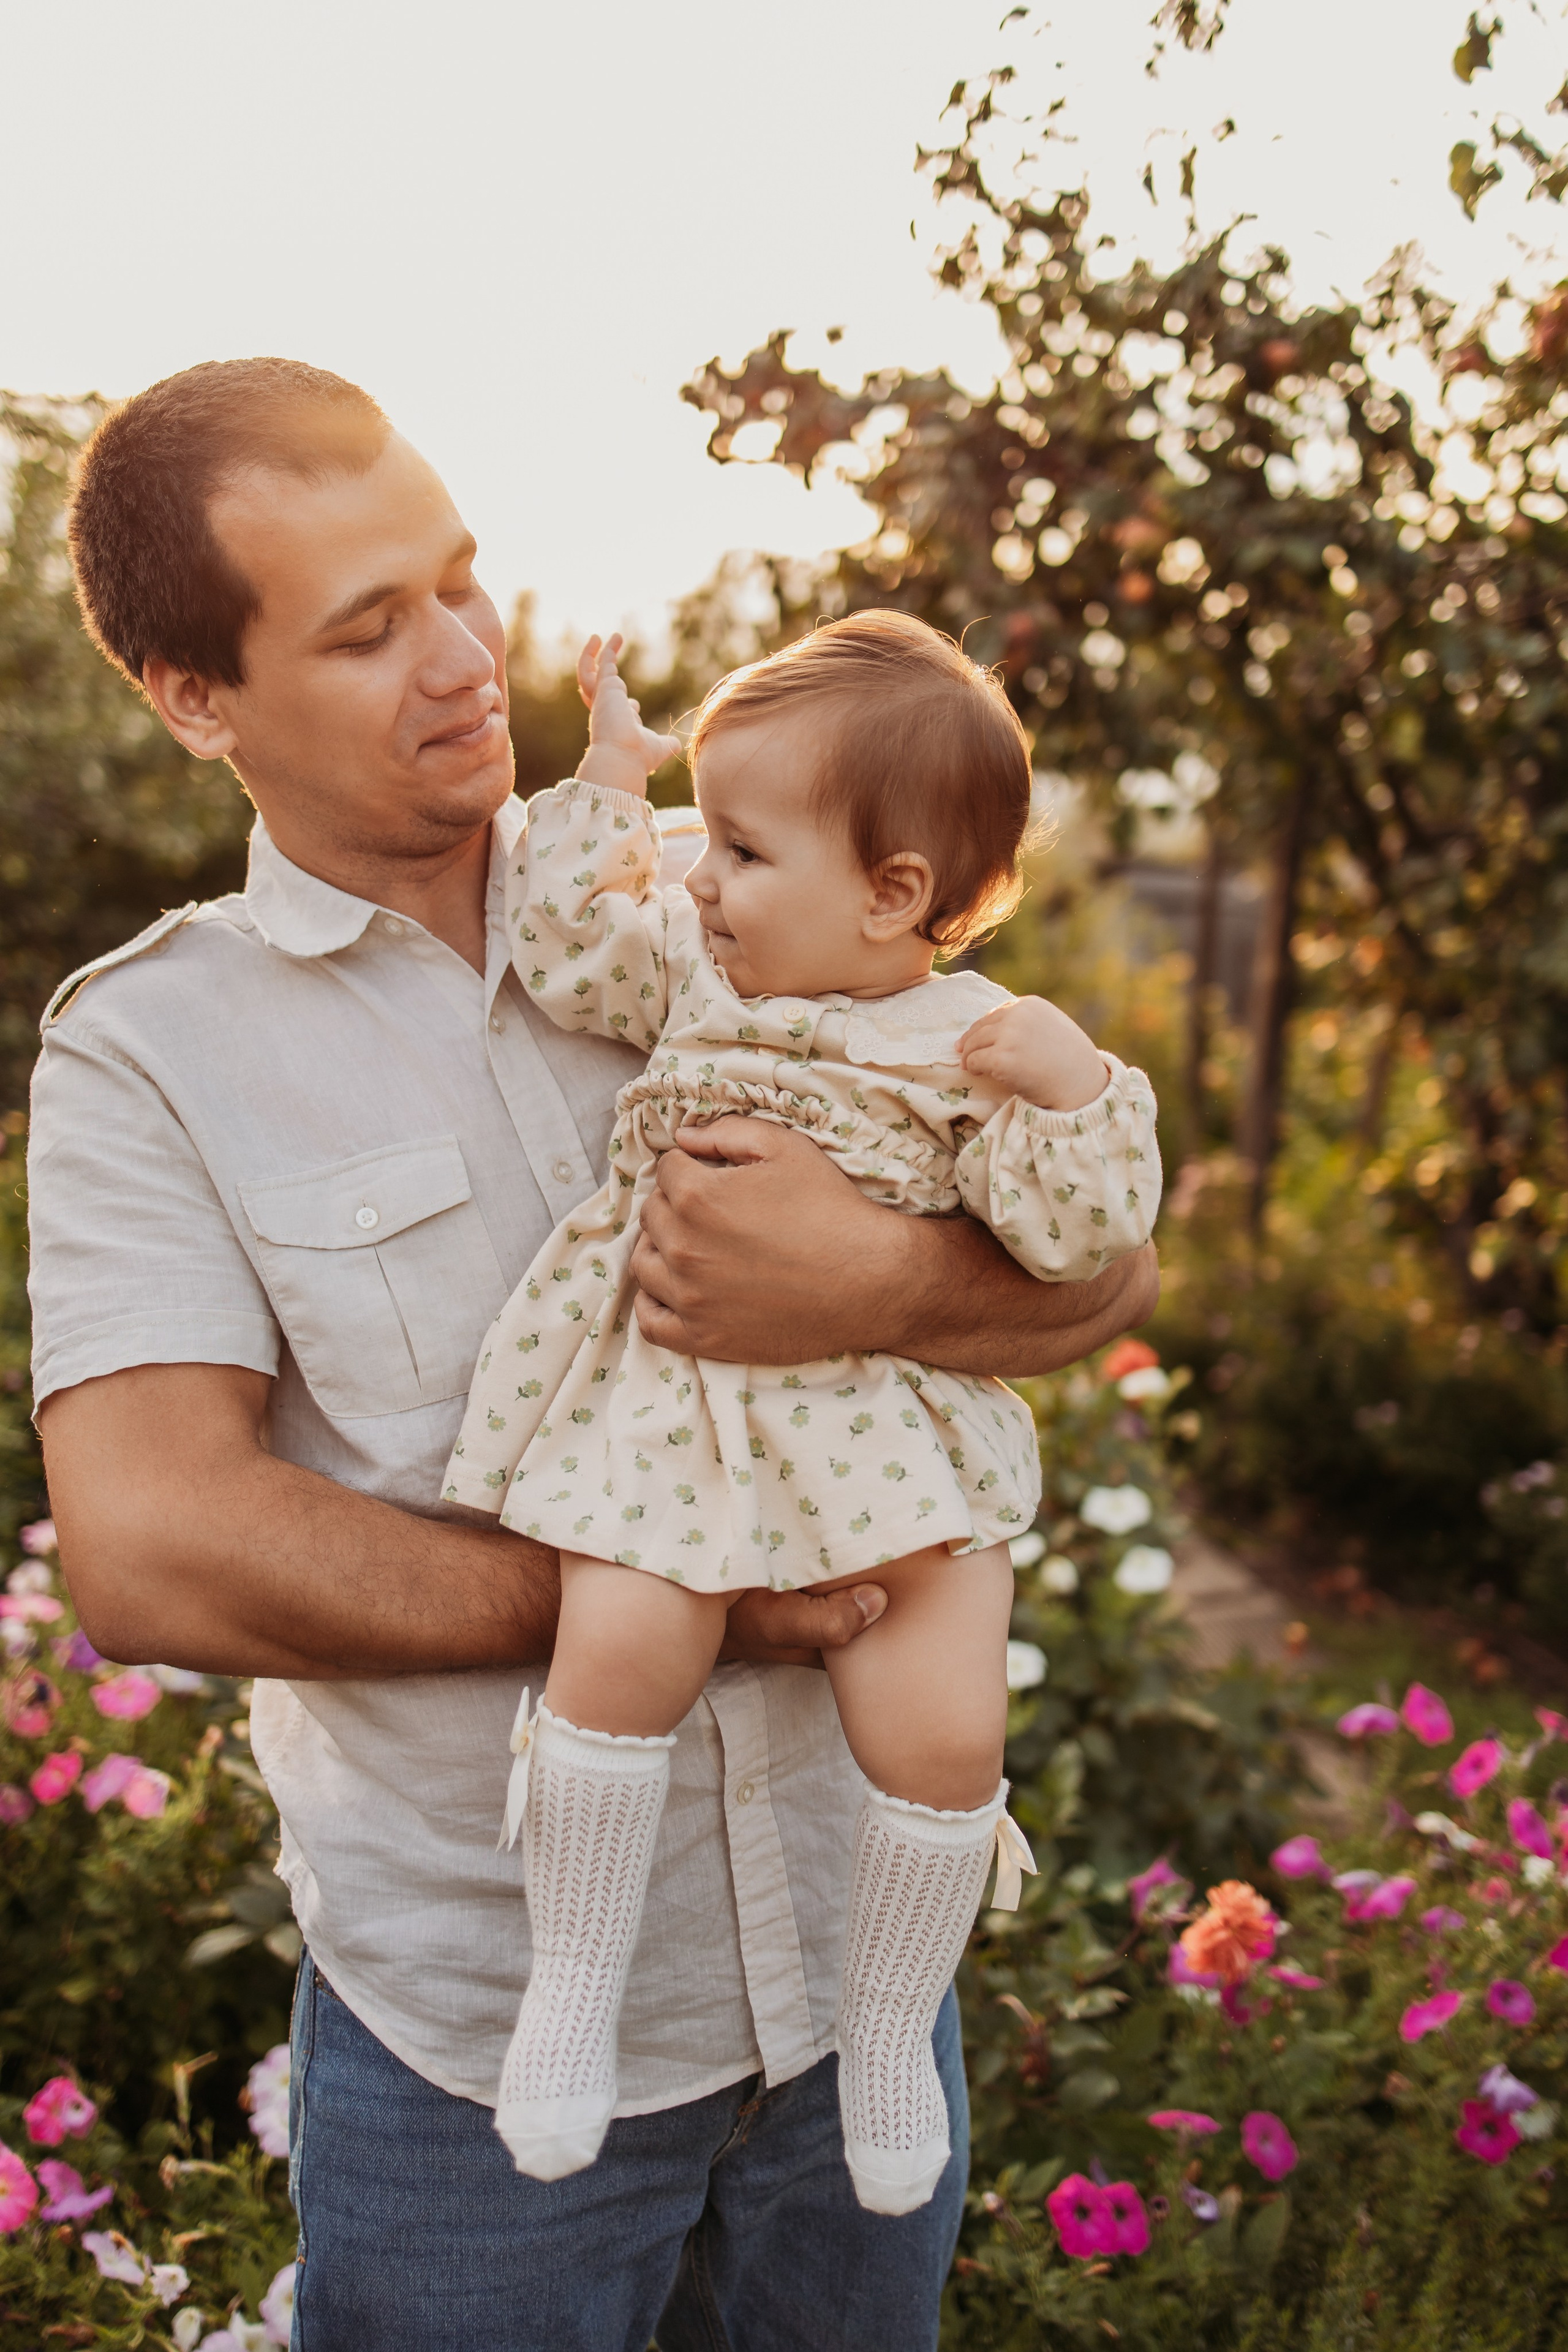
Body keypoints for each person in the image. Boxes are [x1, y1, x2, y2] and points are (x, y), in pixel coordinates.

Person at [29, 356, 1158, 2352]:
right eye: (369, 629)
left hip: (838, 1993)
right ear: (197, 698)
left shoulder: (733, 893)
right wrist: (678, 1600)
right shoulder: (150, 1055)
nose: (466, 657)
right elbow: (151, 1549)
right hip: (484, 2059)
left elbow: (1099, 1276)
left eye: (460, 581)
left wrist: (883, 1290)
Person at [450, 620, 1161, 2211]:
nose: (702, 878)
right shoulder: (698, 966)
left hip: (880, 1439)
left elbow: (1074, 1238)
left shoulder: (966, 1047)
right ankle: (571, 1995)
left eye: (747, 848)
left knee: (944, 1728)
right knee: (618, 1652)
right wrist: (613, 781)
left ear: (893, 893)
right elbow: (572, 943)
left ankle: (889, 2028)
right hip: (677, 1418)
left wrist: (1072, 1089)